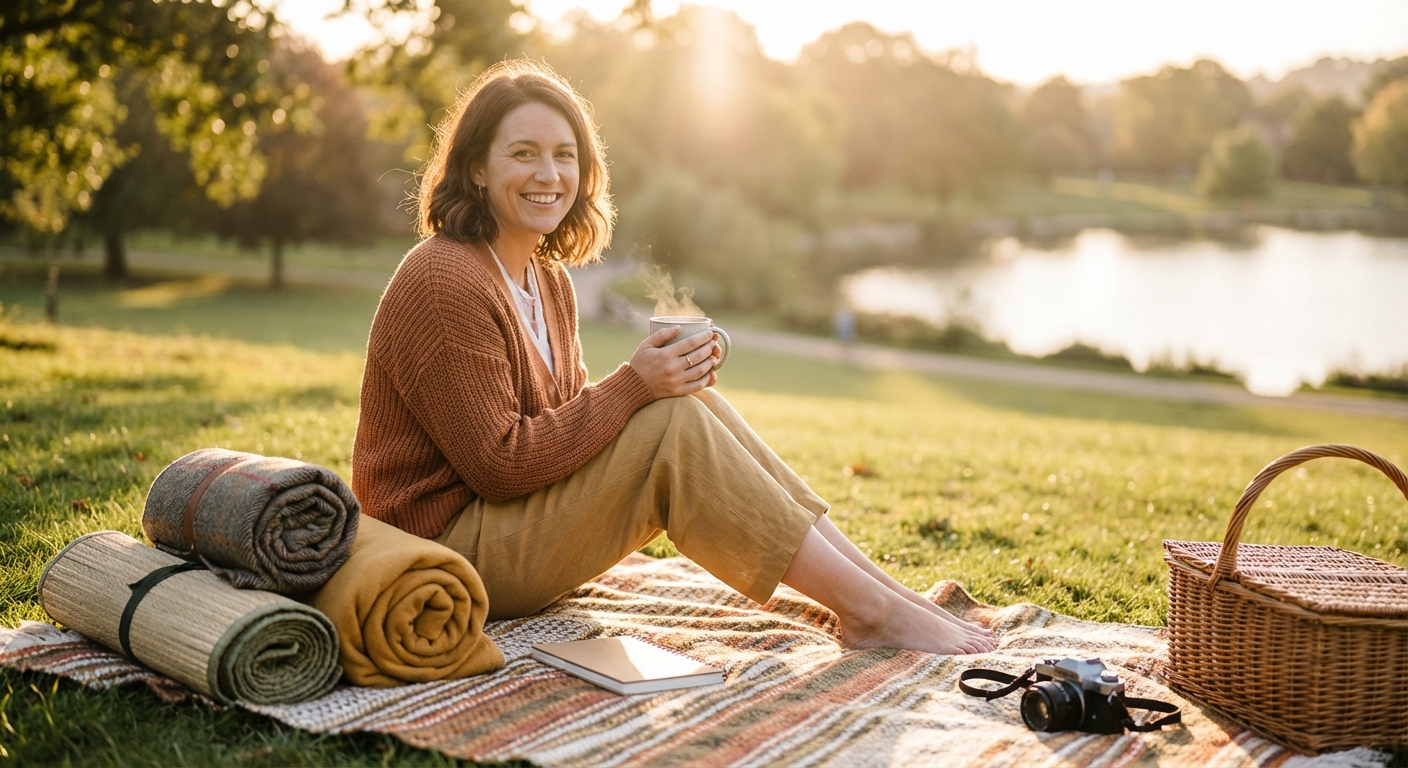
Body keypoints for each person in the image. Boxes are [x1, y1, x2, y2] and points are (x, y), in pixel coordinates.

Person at [352, 60, 994, 656]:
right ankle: (873, 614)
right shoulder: (444, 280)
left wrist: (666, 378)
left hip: (505, 528)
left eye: (565, 156)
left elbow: (570, 425)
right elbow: (498, 464)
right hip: (440, 557)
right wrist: (636, 386)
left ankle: (884, 596)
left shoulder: (546, 281)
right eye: (524, 154)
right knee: (670, 421)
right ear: (476, 169)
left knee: (691, 403)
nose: (549, 175)